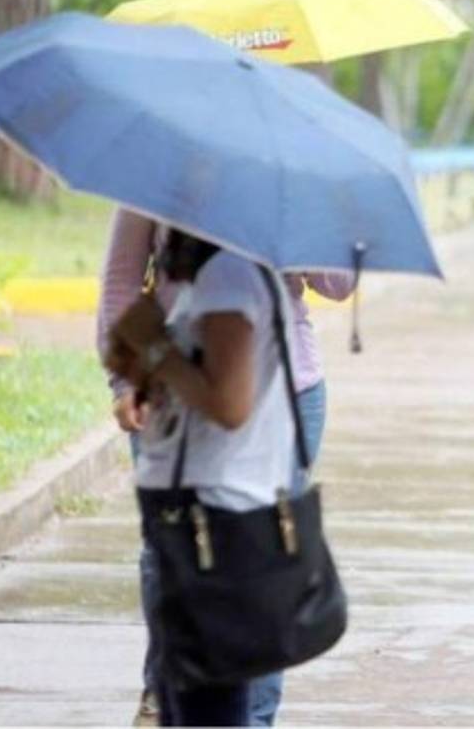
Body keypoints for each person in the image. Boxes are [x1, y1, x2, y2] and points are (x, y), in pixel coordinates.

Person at [97, 209, 353, 726]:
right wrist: (128, 379)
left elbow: (338, 283)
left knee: (259, 557)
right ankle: (174, 689)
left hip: (280, 394)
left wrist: (294, 234)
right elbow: (121, 282)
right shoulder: (161, 184)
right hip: (170, 407)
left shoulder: (232, 275)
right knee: (174, 553)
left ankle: (248, 714)